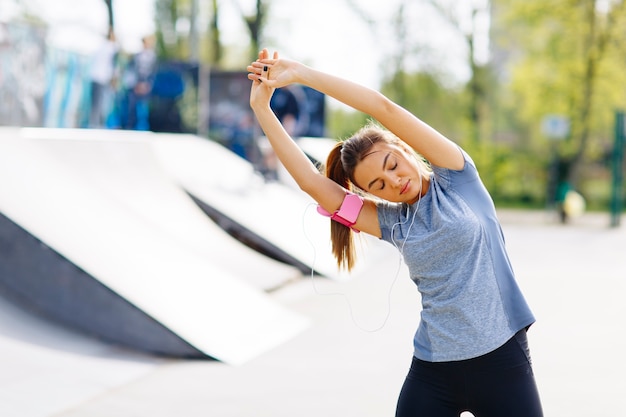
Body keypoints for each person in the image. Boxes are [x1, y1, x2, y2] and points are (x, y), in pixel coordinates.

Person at [247, 49, 543, 417]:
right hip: (434, 371)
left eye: (392, 164)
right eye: (378, 184)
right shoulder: (391, 222)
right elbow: (309, 181)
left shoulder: (458, 178)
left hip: (502, 362)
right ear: (370, 194)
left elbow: (382, 108)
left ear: (404, 148)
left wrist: (303, 74)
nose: (394, 181)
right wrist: (262, 109)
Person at [88, 27, 119, 128]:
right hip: (103, 78)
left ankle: (94, 122)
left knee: (96, 102)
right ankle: (100, 123)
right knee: (103, 102)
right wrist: (114, 79)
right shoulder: (112, 48)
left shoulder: (101, 46)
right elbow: (113, 65)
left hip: (95, 77)